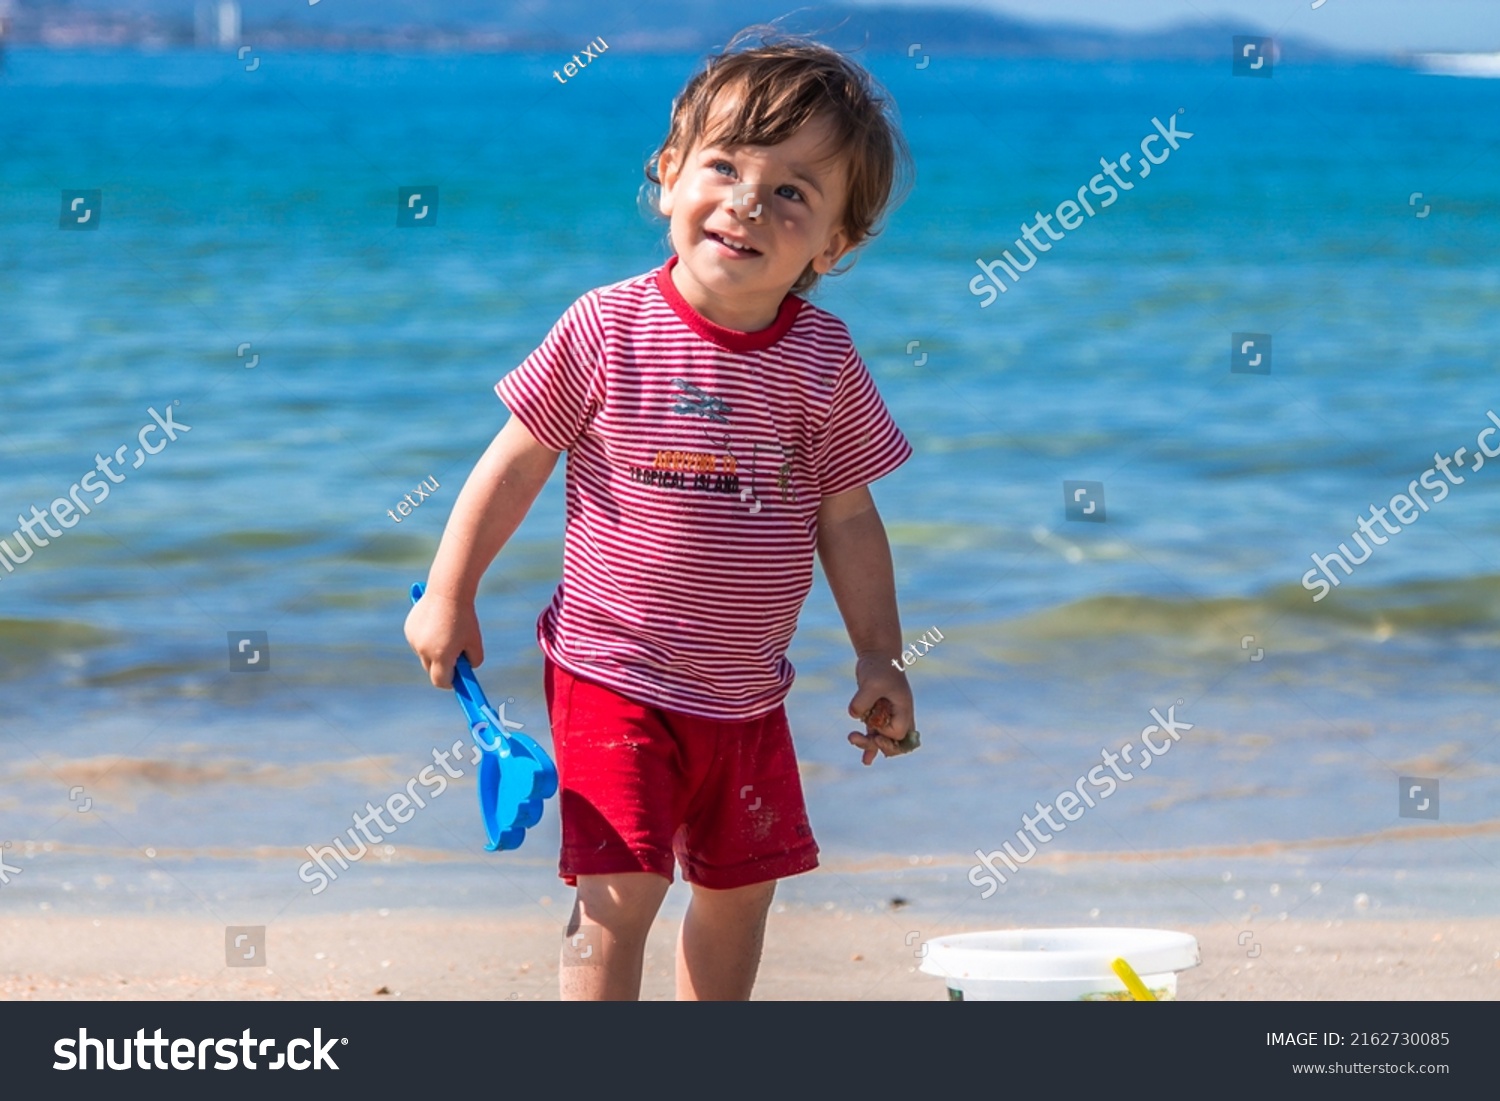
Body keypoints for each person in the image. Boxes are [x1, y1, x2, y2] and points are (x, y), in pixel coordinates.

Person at [404, 29, 918, 1000]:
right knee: (619, 888)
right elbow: (514, 464)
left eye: (793, 193)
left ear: (836, 244)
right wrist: (453, 591)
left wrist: (879, 656)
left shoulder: (824, 361)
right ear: (670, 172)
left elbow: (847, 519)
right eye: (724, 165)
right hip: (612, 670)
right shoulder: (607, 327)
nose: (747, 203)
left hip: (746, 692)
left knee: (742, 888)